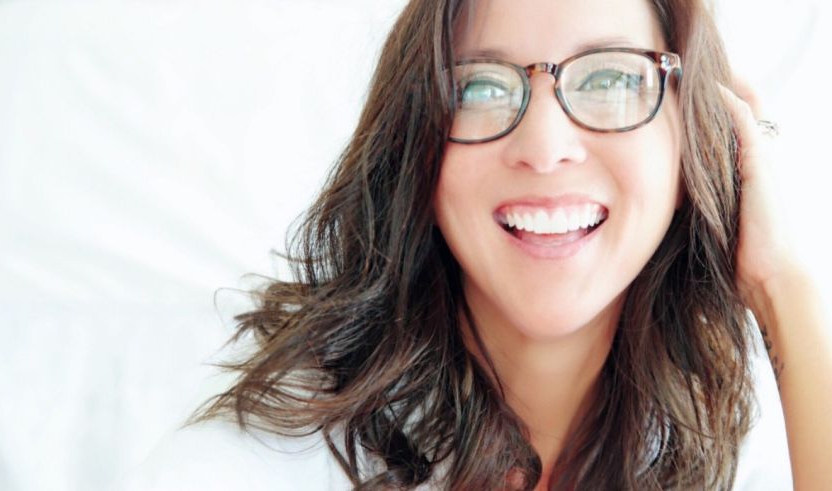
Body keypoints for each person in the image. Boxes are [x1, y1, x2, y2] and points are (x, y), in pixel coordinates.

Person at [124, 0, 832, 489]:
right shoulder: (265, 461)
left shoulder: (737, 439)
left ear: (699, 140)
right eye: (481, 88)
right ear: (415, 151)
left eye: (613, 78)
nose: (546, 147)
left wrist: (785, 290)